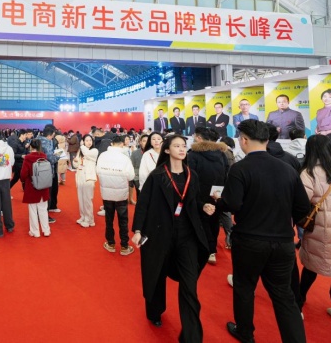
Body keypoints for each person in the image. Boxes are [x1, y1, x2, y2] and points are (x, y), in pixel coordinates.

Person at [212, 119, 310, 343]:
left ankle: (245, 333)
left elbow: (232, 204)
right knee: (284, 295)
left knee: (244, 288)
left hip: (249, 240)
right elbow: (302, 207)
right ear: (267, 140)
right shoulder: (288, 169)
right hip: (283, 242)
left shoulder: (240, 168)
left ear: (244, 140)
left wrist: (219, 200)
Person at [131, 134, 212, 341]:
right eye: (177, 146)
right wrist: (138, 230)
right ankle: (155, 311)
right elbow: (143, 204)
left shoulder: (192, 175)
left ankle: (192, 337)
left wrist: (203, 206)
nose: (182, 149)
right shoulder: (157, 176)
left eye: (184, 145)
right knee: (156, 276)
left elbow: (193, 201)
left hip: (187, 236)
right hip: (160, 234)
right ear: (167, 150)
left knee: (190, 286)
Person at [297, 135, 331, 309]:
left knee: (311, 266)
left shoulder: (309, 172)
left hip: (319, 227)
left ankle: (300, 299)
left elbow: (301, 202)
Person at [187, 126, 230, 266]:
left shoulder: (193, 154)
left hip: (198, 194)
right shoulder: (222, 154)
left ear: (199, 138)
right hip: (216, 194)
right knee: (214, 220)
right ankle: (211, 249)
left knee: (200, 221)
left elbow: (190, 176)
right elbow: (227, 174)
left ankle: (205, 249)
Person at [97, 135, 136, 255]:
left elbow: (98, 171)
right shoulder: (125, 158)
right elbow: (131, 176)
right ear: (122, 144)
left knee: (109, 220)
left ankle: (110, 244)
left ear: (111, 144)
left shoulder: (103, 155)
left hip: (106, 193)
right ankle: (124, 246)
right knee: (123, 220)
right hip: (121, 193)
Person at [20, 139, 51, 238]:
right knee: (43, 209)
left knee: (33, 210)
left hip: (32, 187)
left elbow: (23, 174)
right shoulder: (44, 156)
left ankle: (35, 231)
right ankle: (46, 230)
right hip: (44, 186)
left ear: (31, 146)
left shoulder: (28, 158)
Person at [74, 134, 98, 228]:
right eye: (87, 140)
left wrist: (82, 145)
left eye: (90, 140)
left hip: (89, 177)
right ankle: (83, 216)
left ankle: (90, 220)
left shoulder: (94, 151)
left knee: (87, 199)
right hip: (80, 176)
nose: (89, 142)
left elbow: (87, 153)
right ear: (83, 141)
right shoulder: (81, 151)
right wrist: (75, 162)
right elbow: (76, 164)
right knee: (81, 199)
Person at [129, 134, 148, 205]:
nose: (146, 143)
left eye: (148, 141)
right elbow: (131, 166)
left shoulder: (153, 153)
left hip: (150, 178)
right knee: (140, 197)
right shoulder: (135, 153)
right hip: (138, 179)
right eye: (144, 141)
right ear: (140, 142)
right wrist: (132, 179)